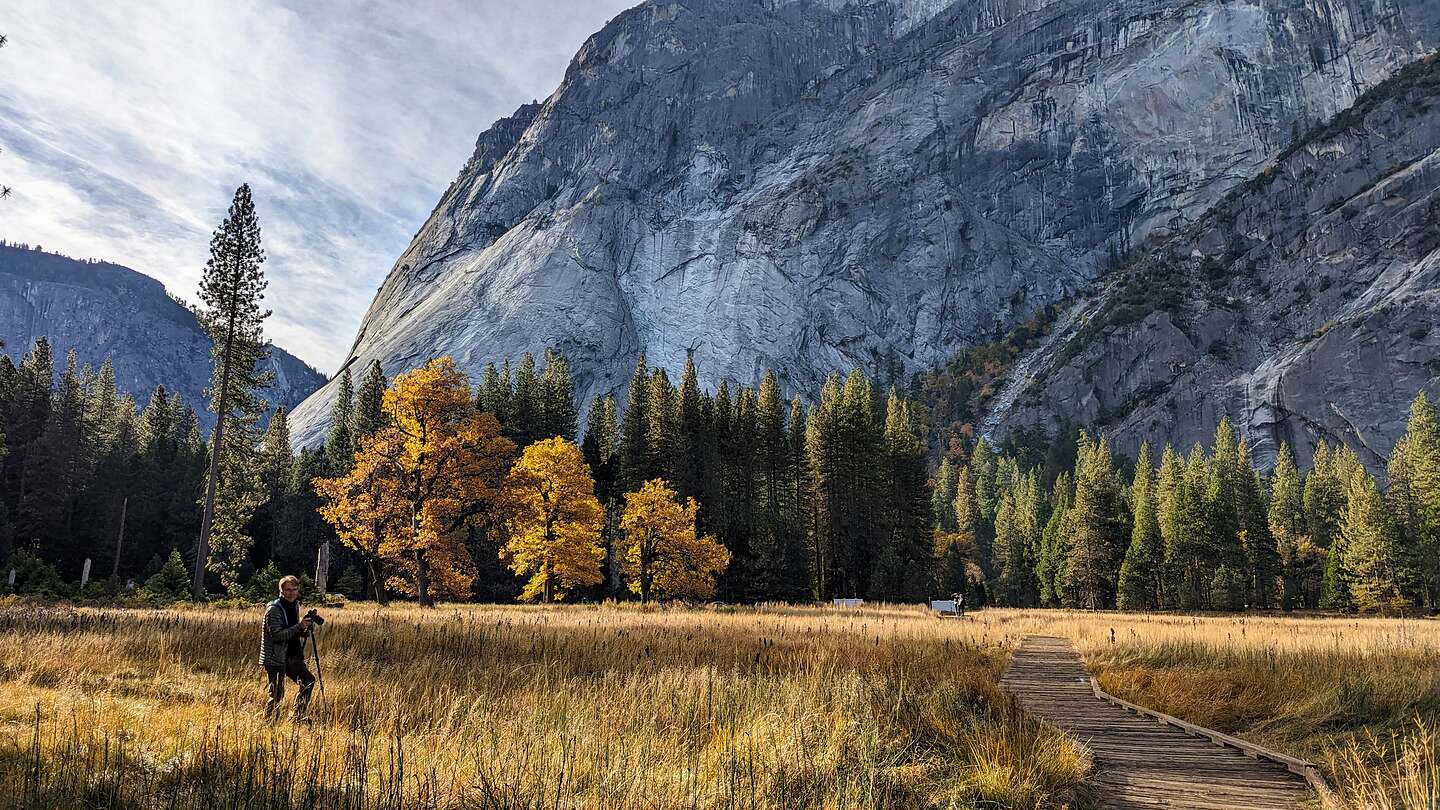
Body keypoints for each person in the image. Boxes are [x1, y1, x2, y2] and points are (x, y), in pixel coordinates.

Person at [261, 574, 316, 720]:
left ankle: (297, 717)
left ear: (298, 590)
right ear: (281, 591)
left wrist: (304, 630)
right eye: (288, 590)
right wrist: (300, 626)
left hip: (292, 655)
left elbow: (292, 630)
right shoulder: (273, 609)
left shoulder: (295, 605)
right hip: (275, 656)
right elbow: (277, 636)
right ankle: (269, 724)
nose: (291, 593)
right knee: (277, 694)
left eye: (294, 589)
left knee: (308, 681)